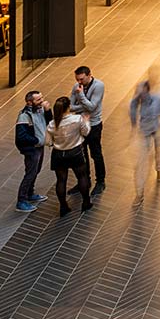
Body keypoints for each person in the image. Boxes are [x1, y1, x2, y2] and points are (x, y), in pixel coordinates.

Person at [129, 67, 160, 200]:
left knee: (159, 146)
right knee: (142, 157)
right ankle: (139, 191)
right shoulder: (141, 86)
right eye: (152, 75)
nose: (154, 77)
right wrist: (133, 123)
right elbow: (133, 104)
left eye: (157, 75)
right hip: (145, 124)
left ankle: (159, 167)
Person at [47, 92, 94, 214]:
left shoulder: (52, 124)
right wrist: (87, 121)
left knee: (61, 180)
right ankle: (86, 202)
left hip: (58, 154)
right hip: (75, 152)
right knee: (82, 177)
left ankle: (63, 206)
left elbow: (47, 142)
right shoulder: (76, 119)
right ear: (68, 107)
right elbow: (85, 132)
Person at [73, 65, 107, 194]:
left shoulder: (99, 86)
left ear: (89, 75)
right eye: (77, 80)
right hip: (81, 124)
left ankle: (101, 181)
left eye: (82, 79)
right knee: (82, 155)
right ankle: (84, 181)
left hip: (94, 125)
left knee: (96, 154)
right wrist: (84, 106)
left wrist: (81, 96)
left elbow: (92, 107)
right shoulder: (76, 86)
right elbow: (70, 106)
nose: (79, 82)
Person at [13, 90, 49, 212]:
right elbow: (21, 136)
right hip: (32, 149)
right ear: (29, 102)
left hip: (39, 146)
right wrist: (36, 140)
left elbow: (49, 122)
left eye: (41, 98)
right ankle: (21, 200)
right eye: (38, 100)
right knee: (30, 173)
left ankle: (30, 193)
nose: (42, 101)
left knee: (36, 170)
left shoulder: (40, 110)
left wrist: (48, 111)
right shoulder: (24, 116)